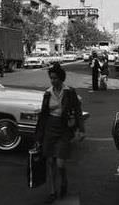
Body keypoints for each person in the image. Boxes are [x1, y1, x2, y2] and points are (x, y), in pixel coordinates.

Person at [35, 63, 85, 203]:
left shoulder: (70, 92)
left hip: (64, 130)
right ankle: (52, 191)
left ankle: (64, 181)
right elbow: (43, 116)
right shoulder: (47, 93)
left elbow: (78, 111)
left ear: (61, 78)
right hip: (49, 129)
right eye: (51, 78)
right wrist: (39, 136)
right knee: (50, 162)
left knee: (60, 164)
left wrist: (81, 130)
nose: (53, 81)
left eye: (55, 78)